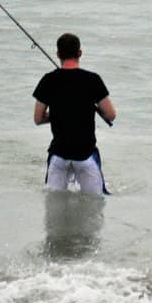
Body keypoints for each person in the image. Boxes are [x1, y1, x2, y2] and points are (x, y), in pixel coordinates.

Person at [33, 33, 117, 194]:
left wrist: (60, 112)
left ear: (58, 54)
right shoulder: (93, 80)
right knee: (95, 208)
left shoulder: (48, 80)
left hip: (58, 155)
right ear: (80, 53)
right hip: (85, 155)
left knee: (54, 212)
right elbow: (111, 115)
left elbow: (38, 118)